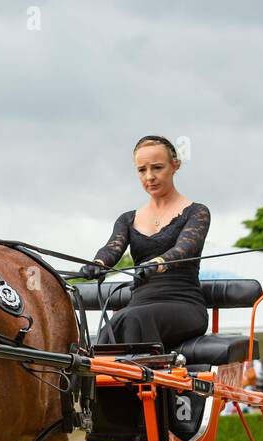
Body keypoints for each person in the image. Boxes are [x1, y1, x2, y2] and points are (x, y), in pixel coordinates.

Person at [83, 135, 211, 351]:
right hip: (139, 305)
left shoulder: (197, 212)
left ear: (175, 165)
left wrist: (158, 262)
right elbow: (111, 249)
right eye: (142, 170)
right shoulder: (127, 219)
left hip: (184, 304)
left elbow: (185, 248)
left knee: (132, 318)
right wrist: (97, 264)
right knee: (113, 325)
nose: (149, 177)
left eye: (157, 167)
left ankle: (138, 383)